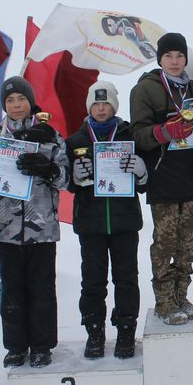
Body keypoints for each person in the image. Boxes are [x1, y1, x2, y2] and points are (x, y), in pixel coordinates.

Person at [0, 76, 69, 369]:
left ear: (31, 102)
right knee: (13, 290)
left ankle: (42, 345)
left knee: (42, 289)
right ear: (4, 105)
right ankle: (15, 347)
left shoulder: (49, 134)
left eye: (21, 99)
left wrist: (49, 169)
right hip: (7, 228)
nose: (16, 105)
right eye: (10, 101)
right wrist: (21, 138)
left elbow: (66, 178)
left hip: (41, 226)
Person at [129, 32, 193, 325]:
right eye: (168, 56)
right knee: (166, 241)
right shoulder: (145, 89)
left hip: (192, 173)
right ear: (159, 59)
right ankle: (164, 301)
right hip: (163, 173)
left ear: (185, 59)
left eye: (179, 56)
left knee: (192, 240)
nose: (175, 61)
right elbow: (138, 134)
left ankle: (181, 295)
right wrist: (165, 132)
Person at [66, 80, 147, 359]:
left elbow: (144, 184)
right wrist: (75, 178)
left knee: (126, 279)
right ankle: (94, 332)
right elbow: (67, 183)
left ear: (114, 106)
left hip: (125, 222)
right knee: (92, 282)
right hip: (91, 223)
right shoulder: (76, 141)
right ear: (89, 107)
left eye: (106, 103)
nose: (101, 109)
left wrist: (141, 171)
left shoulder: (129, 135)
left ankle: (126, 331)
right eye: (96, 104)